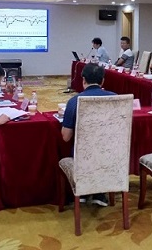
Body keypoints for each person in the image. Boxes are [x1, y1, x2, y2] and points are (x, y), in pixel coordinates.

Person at [61, 63, 115, 206]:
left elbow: (66, 137)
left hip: (83, 157)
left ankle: (82, 191)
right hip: (110, 155)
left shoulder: (74, 101)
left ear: (83, 80)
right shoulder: (116, 99)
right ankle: (99, 193)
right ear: (102, 81)